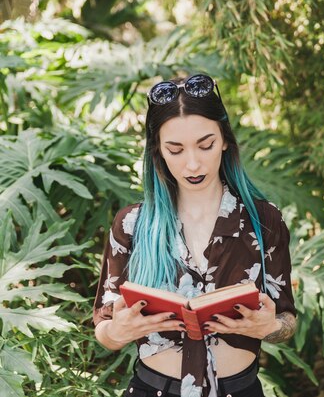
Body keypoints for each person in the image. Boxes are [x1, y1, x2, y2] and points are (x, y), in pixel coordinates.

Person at [92, 74, 297, 397]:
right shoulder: (132, 224)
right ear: (157, 151)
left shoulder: (263, 219)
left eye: (206, 145)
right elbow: (103, 326)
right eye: (175, 150)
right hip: (153, 388)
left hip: (239, 389)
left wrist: (271, 327)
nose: (192, 163)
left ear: (225, 139)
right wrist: (117, 332)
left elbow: (286, 317)